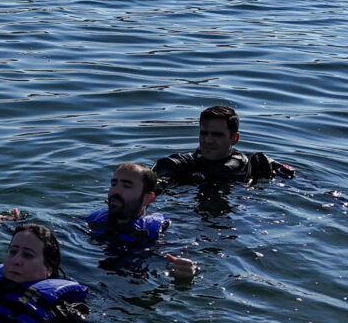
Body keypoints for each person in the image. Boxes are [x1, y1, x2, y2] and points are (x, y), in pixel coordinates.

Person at [85, 162, 196, 280]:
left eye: (127, 186)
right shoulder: (94, 221)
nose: (116, 191)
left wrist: (184, 271)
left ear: (147, 198)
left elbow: (174, 260)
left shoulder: (159, 234)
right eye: (114, 184)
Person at [153, 105, 295, 189]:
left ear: (234, 138)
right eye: (204, 133)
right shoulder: (180, 165)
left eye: (217, 135)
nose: (208, 140)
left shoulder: (255, 166)